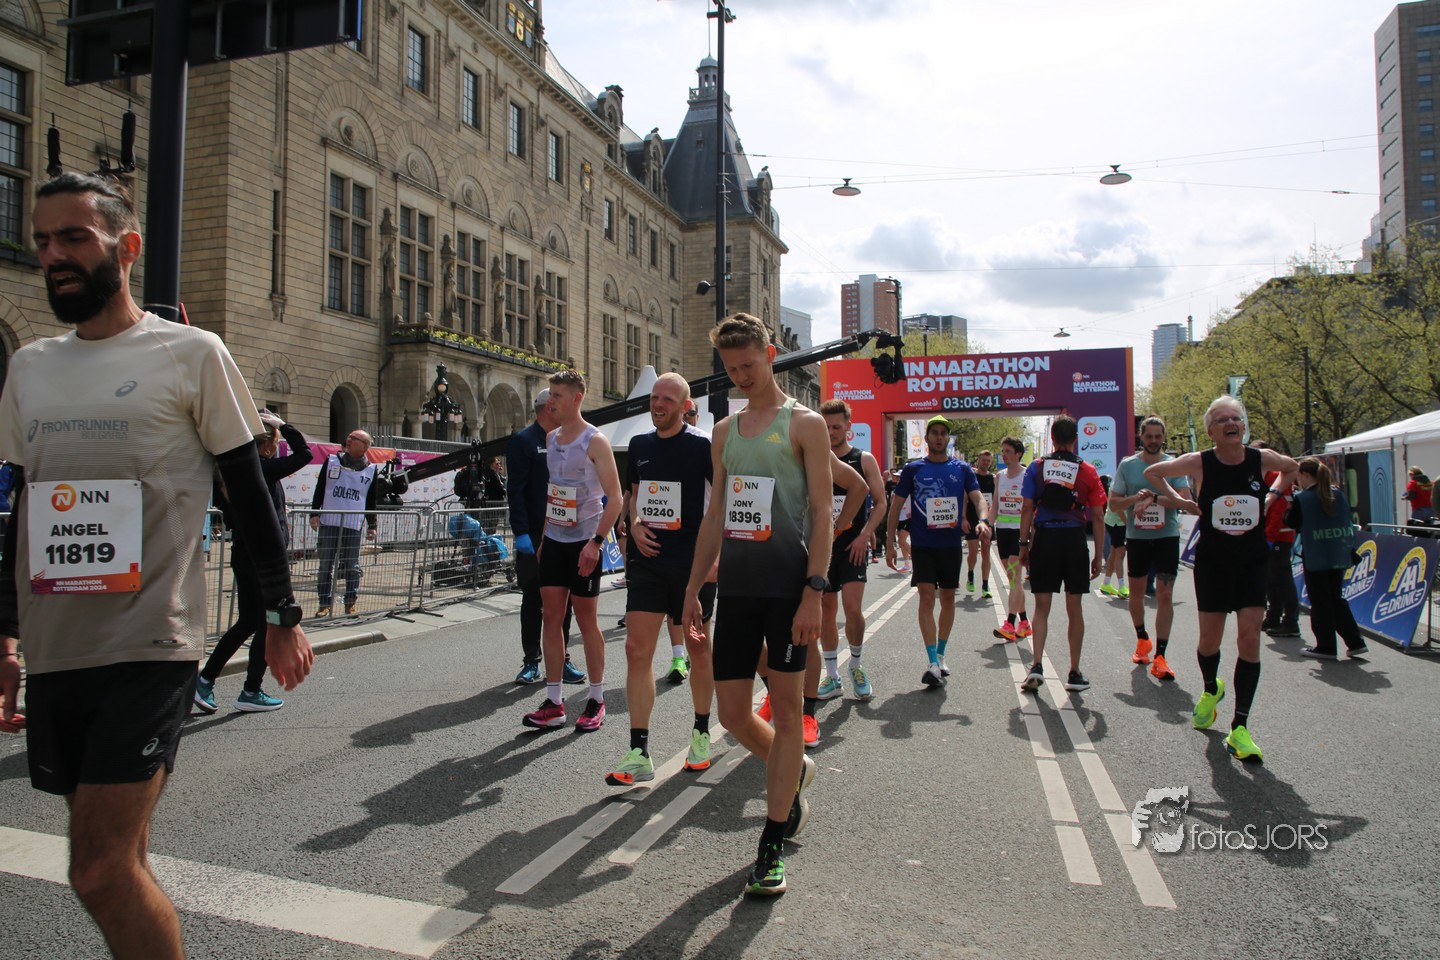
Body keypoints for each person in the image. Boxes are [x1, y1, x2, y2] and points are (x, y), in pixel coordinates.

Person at [0, 171, 313, 960]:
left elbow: (250, 498)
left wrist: (282, 617)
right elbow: (24, 510)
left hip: (152, 646)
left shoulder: (191, 353)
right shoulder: (29, 366)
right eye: (43, 240)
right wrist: (6, 638)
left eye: (75, 237)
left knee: (97, 868)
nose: (54, 255)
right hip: (57, 649)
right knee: (123, 859)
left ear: (127, 247)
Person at [682, 313, 858, 897]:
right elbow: (715, 515)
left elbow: (823, 512)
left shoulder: (804, 424)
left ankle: (772, 841)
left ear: (771, 354)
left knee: (786, 713)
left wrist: (814, 591)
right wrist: (693, 590)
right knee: (733, 714)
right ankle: (795, 769)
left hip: (788, 590)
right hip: (736, 588)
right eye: (731, 369)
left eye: (749, 365)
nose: (741, 377)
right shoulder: (724, 433)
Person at [1145, 396, 1297, 763]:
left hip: (1252, 560)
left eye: (1236, 418)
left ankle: (1240, 727)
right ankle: (1211, 688)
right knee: (1209, 642)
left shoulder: (1261, 459)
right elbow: (1153, 473)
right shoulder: (1199, 462)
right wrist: (1183, 502)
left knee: (1249, 638)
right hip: (1214, 561)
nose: (1231, 423)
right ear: (1211, 431)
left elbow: (1292, 467)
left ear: (1243, 426)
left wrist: (1271, 497)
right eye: (1223, 419)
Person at [605, 373, 718, 784]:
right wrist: (634, 525)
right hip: (648, 561)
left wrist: (716, 557)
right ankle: (639, 751)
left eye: (668, 399)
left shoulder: (703, 445)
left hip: (693, 563)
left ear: (685, 406)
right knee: (636, 649)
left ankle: (701, 733)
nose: (658, 404)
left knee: (698, 648)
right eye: (655, 397)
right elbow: (636, 496)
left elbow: (721, 502)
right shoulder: (639, 445)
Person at [521, 370, 624, 731]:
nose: (550, 401)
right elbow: (554, 493)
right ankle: (554, 702)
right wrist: (544, 539)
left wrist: (596, 543)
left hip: (585, 543)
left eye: (558, 395)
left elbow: (616, 498)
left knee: (586, 620)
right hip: (555, 541)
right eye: (550, 394)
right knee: (551, 617)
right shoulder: (551, 439)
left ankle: (596, 698)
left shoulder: (595, 441)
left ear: (577, 398)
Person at [195, 410, 313, 713]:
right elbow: (305, 454)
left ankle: (205, 680)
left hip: (243, 553)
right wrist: (284, 425)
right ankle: (249, 689)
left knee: (249, 620)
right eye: (276, 441)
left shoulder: (231, 471)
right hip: (261, 557)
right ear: (268, 444)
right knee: (266, 623)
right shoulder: (262, 468)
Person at [802, 399, 887, 746]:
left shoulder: (862, 459)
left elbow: (880, 501)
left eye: (836, 426)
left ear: (848, 426)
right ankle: (832, 674)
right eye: (826, 426)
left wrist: (865, 534)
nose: (831, 432)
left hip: (852, 546)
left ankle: (856, 664)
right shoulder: (813, 455)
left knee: (852, 608)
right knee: (826, 609)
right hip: (823, 546)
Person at [884, 415, 990, 687]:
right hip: (922, 544)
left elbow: (978, 498)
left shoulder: (962, 469)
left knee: (948, 599)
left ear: (947, 438)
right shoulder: (914, 469)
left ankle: (941, 655)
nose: (939, 437)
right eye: (935, 433)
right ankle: (932, 661)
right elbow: (896, 506)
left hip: (950, 545)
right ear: (927, 438)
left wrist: (983, 520)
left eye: (943, 433)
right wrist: (890, 543)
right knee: (926, 597)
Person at [1016, 416, 1107, 694]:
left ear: (1052, 439)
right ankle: (1074, 673)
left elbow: (1027, 508)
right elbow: (1098, 516)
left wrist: (1023, 545)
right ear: (1075, 439)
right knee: (1074, 608)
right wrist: (1098, 555)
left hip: (1045, 538)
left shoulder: (1037, 467)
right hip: (1074, 540)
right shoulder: (1088, 470)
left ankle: (1036, 665)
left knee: (1041, 606)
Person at [505, 388, 581, 686]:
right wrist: (522, 533)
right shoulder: (524, 441)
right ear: (549, 408)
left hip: (564, 531)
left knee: (564, 600)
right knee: (533, 598)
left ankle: (562, 660)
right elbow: (515, 491)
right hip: (535, 533)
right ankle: (531, 661)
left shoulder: (567, 440)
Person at [1107, 416, 1191, 681]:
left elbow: (1185, 501)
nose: (1154, 441)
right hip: (1138, 538)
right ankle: (1142, 639)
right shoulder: (1128, 465)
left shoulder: (1173, 466)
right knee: (1137, 594)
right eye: (1149, 436)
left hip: (1167, 537)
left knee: (1165, 595)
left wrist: (1155, 498)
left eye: (1158, 436)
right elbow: (1113, 503)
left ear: (1163, 437)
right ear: (1141, 437)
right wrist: (1136, 498)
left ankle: (1161, 656)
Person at [1288, 458, 1370, 660]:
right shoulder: (1338, 494)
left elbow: (1292, 521)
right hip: (1338, 553)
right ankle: (1355, 642)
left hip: (1315, 554)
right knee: (1335, 598)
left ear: (1306, 475)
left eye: (1299, 476)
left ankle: (1326, 646)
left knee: (1320, 601)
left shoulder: (1304, 498)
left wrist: (1288, 508)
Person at [309, 430, 379, 617]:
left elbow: (370, 500)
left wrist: (372, 525)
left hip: (353, 524)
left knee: (351, 565)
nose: (349, 440)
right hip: (329, 521)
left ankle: (350, 601)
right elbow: (320, 487)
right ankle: (324, 603)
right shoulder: (332, 461)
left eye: (355, 439)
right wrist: (314, 513)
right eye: (349, 437)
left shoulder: (371, 469)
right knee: (325, 565)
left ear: (365, 446)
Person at [989, 436, 1033, 642]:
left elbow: (1031, 506)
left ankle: (1010, 624)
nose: (1003, 455)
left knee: (1014, 577)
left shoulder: (1027, 475)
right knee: (1012, 579)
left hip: (1019, 531)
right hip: (1003, 531)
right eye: (1002, 451)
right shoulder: (999, 477)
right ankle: (1024, 622)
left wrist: (1031, 533)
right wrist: (987, 525)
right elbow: (995, 505)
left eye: (1008, 451)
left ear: (1018, 454)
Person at [1260, 456, 1301, 639]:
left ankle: (1291, 621)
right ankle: (1273, 616)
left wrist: (1269, 537)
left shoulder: (1278, 477)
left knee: (1282, 579)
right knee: (1271, 579)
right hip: (1271, 534)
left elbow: (1278, 510)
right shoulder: (1264, 477)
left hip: (1280, 535)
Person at [965, 449, 996, 598]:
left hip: (987, 519)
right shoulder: (972, 477)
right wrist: (963, 518)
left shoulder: (993, 479)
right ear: (978, 460)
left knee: (986, 553)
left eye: (988, 461)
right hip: (972, 518)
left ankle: (985, 585)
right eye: (983, 460)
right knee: (973, 552)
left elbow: (996, 501)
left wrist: (993, 520)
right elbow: (965, 499)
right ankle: (970, 574)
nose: (985, 463)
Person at [1098, 475, 1129, 599]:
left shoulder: (1127, 483)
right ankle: (1122, 586)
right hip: (1116, 522)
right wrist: (1129, 524)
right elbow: (1118, 509)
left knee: (1114, 552)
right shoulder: (1119, 485)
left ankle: (1106, 583)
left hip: (1117, 522)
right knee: (1120, 552)